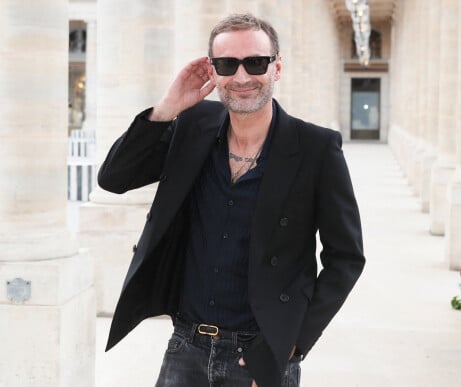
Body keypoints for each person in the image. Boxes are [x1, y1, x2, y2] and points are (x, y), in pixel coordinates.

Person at [98, 13, 365, 387]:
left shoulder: (316, 148)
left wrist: (289, 346)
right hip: (185, 346)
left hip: (259, 355)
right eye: (227, 64)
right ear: (213, 70)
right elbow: (114, 179)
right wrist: (166, 108)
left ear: (277, 68)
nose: (242, 77)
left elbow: (346, 259)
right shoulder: (192, 126)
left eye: (256, 62)